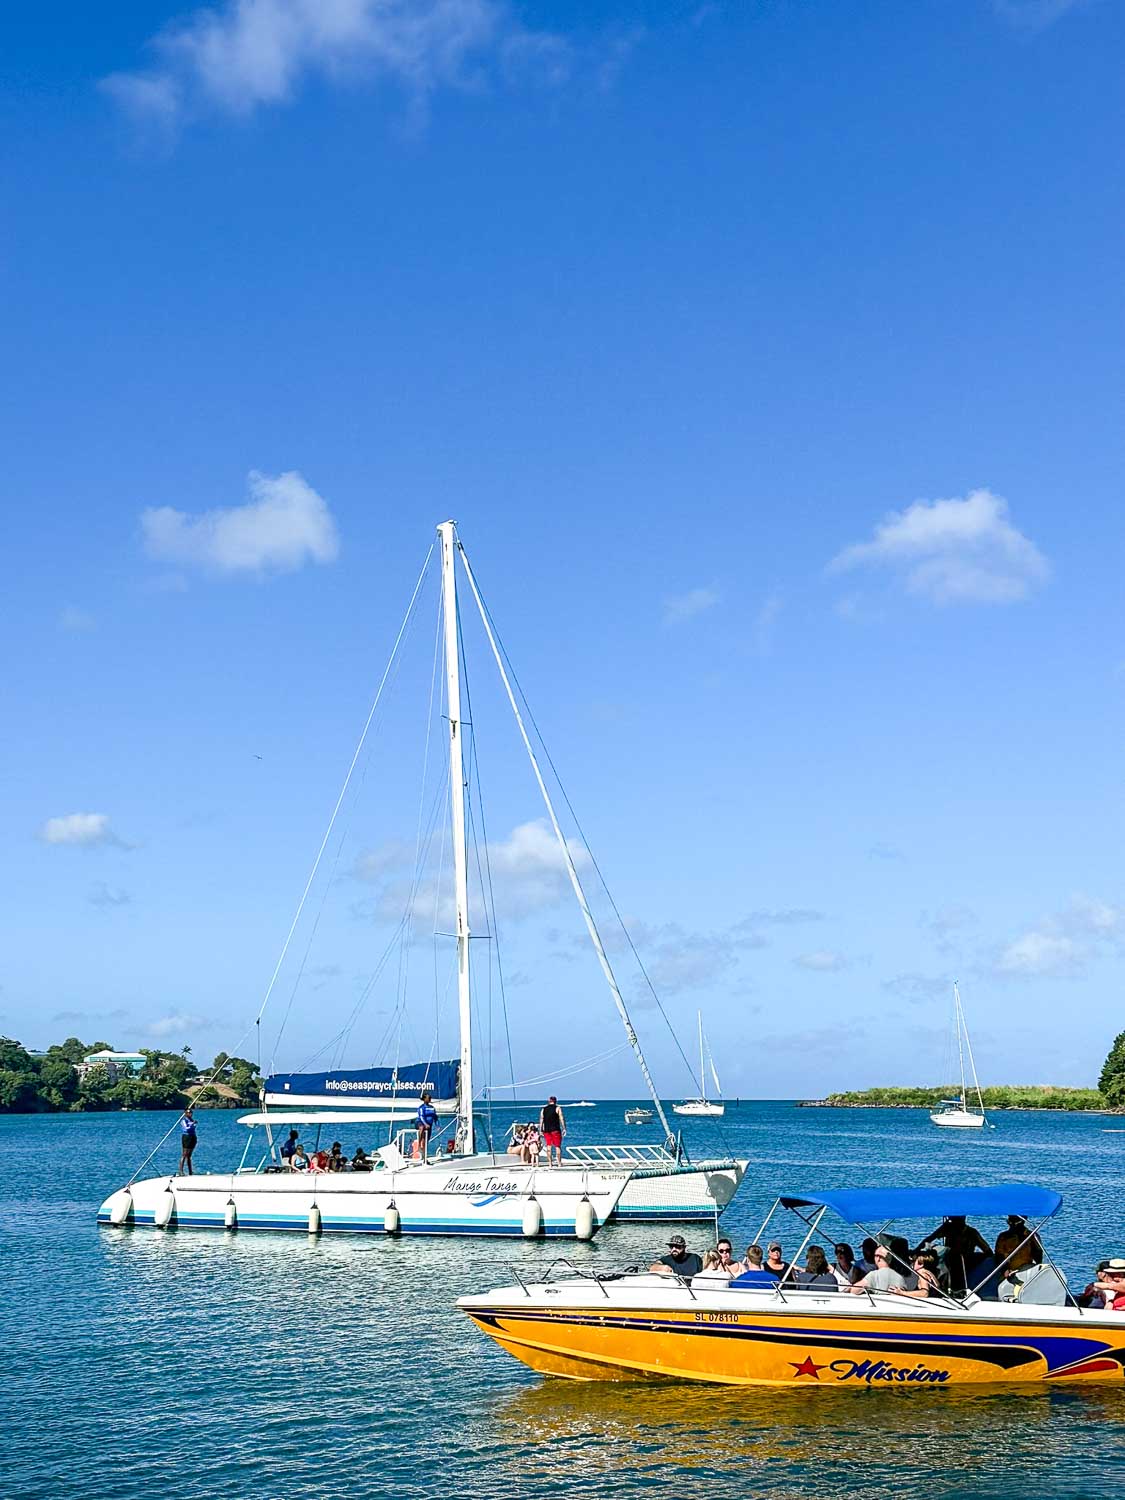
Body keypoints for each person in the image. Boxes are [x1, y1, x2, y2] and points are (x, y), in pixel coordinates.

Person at [915, 1216, 991, 1294]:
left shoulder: (971, 1232)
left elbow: (987, 1250)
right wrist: (916, 1250)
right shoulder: (948, 1228)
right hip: (950, 1261)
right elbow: (929, 1239)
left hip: (966, 1261)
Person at [540, 1096, 566, 1166]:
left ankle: (550, 1164)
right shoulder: (557, 1108)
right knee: (557, 1146)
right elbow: (561, 1118)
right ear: (555, 1101)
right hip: (555, 1129)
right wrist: (564, 1128)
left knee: (549, 1146)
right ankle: (559, 1163)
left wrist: (541, 1129)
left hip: (547, 1130)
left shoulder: (544, 1109)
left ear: (549, 1101)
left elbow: (541, 1119)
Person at [416, 1090, 438, 1161]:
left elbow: (435, 1117)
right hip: (420, 1122)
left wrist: (437, 1125)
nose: (429, 1099)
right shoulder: (422, 1107)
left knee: (426, 1141)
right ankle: (419, 1144)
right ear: (424, 1099)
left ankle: (424, 1157)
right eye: (428, 1098)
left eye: (430, 1098)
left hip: (429, 1125)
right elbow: (421, 1116)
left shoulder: (432, 1108)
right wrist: (425, 1124)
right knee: (422, 1127)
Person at [178, 1109, 197, 1175]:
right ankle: (181, 1171)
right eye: (188, 1112)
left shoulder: (192, 1120)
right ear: (185, 1113)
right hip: (186, 1137)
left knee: (189, 1155)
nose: (190, 1114)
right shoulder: (184, 1120)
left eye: (191, 1112)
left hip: (193, 1136)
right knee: (184, 1154)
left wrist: (193, 1123)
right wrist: (192, 1124)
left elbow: (193, 1127)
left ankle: (190, 1171)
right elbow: (186, 1128)